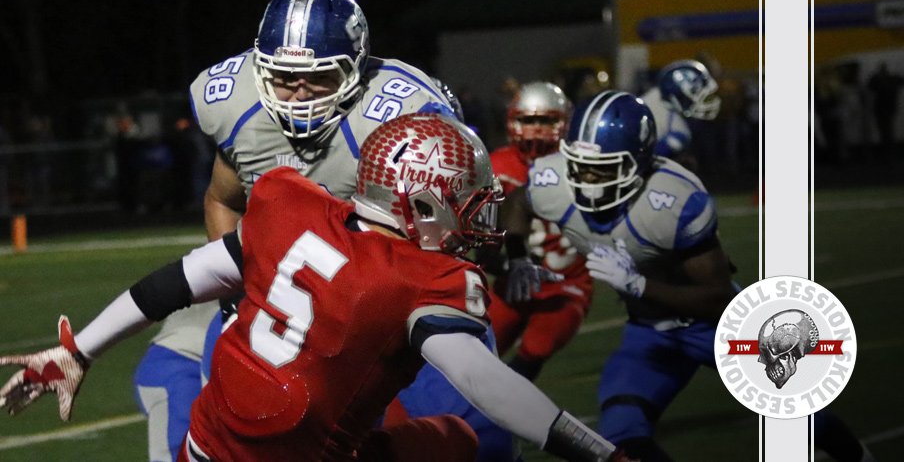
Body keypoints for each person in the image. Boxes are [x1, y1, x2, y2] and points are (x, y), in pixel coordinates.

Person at [0, 114, 626, 462]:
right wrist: (601, 454)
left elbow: (180, 279)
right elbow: (489, 386)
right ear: (425, 206)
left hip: (205, 450)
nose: (478, 216)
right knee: (459, 441)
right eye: (466, 202)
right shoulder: (423, 279)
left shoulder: (287, 205)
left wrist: (78, 350)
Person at [134, 0, 508, 462]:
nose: (298, 94)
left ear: (355, 67)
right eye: (285, 76)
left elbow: (452, 219)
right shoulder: (239, 109)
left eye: (319, 78)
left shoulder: (401, 114)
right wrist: (243, 295)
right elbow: (222, 198)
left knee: (480, 433)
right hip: (295, 310)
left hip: (393, 300)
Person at [505, 90, 875, 462]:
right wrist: (517, 256)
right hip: (648, 330)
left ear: (639, 162)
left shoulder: (671, 200)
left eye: (601, 169)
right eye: (578, 166)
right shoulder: (554, 182)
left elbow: (717, 298)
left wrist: (639, 284)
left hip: (716, 325)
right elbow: (520, 201)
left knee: (796, 415)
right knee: (622, 434)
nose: (585, 180)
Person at [482, 81, 594, 381]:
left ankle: (498, 418)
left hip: (567, 285)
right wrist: (502, 263)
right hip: (513, 283)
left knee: (536, 346)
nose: (536, 129)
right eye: (528, 120)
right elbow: (484, 247)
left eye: (545, 120)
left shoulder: (583, 166)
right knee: (477, 349)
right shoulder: (497, 165)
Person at [639, 60, 721, 172]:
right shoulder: (677, 127)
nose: (698, 101)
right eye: (694, 93)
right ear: (676, 94)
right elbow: (643, 156)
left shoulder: (654, 98)